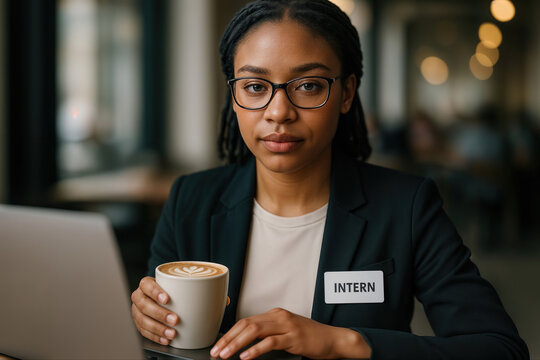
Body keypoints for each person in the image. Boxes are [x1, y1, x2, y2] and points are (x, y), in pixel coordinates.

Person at [130, 1, 529, 359]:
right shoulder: (191, 199)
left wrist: (346, 342)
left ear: (346, 93)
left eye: (308, 86)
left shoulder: (405, 206)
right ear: (234, 96)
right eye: (255, 87)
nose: (279, 112)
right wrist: (149, 320)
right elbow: (166, 340)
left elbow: (499, 347)